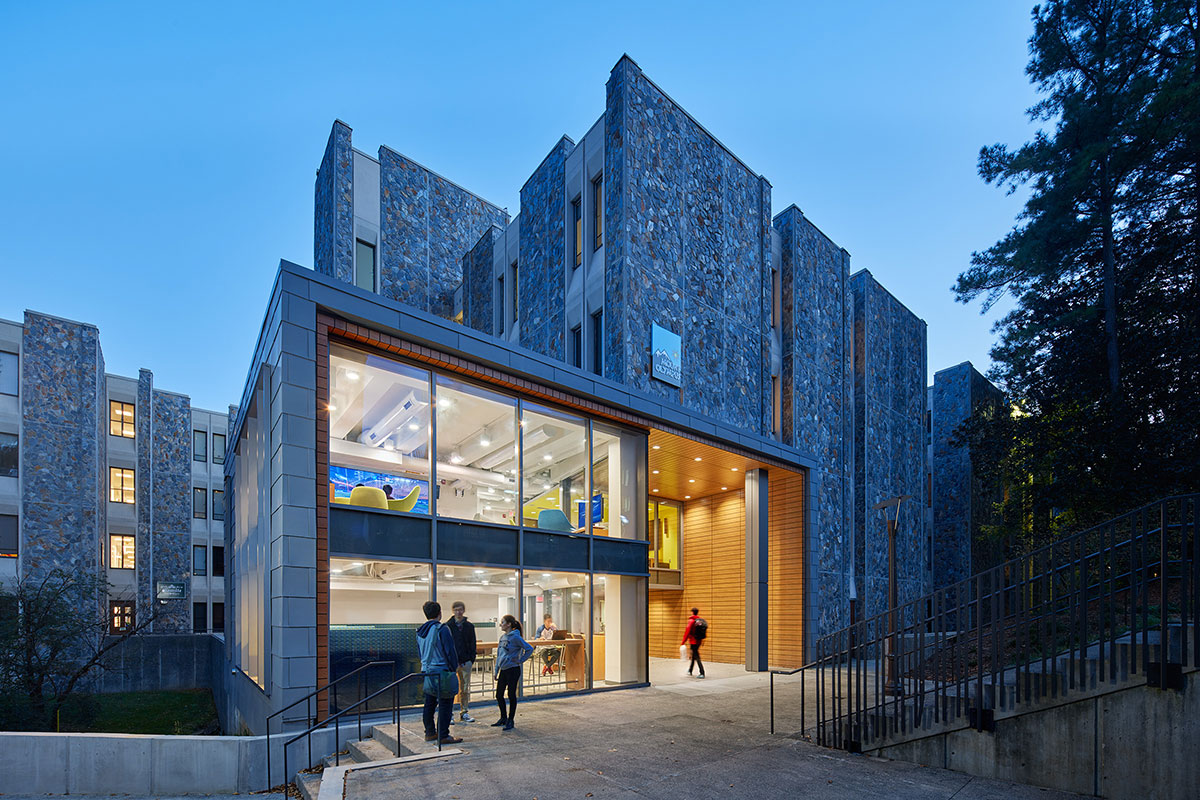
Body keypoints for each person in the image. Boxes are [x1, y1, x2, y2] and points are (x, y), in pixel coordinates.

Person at [416, 600, 463, 744]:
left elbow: (420, 653)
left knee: (429, 702)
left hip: (428, 671)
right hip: (442, 671)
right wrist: (454, 667)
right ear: (439, 613)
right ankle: (443, 735)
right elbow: (449, 651)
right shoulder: (442, 629)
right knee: (446, 703)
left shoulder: (420, 631)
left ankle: (430, 732)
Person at [493, 614, 534, 731]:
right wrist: (496, 670)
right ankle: (503, 718)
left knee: (511, 694)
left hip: (513, 669)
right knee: (499, 694)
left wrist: (520, 660)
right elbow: (499, 655)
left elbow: (529, 648)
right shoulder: (502, 637)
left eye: (503, 622)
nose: (501, 624)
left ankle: (511, 720)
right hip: (504, 669)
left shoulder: (515, 637)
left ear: (509, 624)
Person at [447, 601, 477, 723]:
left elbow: (472, 644)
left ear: (464, 610)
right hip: (452, 662)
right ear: (452, 611)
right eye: (456, 610)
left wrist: (470, 659)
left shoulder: (469, 626)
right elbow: (448, 645)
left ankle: (464, 712)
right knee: (450, 689)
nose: (458, 612)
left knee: (464, 688)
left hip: (466, 662)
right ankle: (450, 714)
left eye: (460, 610)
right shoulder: (448, 626)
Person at [681, 607, 706, 678]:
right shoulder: (700, 621)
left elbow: (687, 631)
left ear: (692, 612)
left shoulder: (691, 621)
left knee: (697, 657)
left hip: (693, 641)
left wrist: (683, 641)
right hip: (699, 641)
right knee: (694, 655)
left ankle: (702, 672)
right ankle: (690, 670)